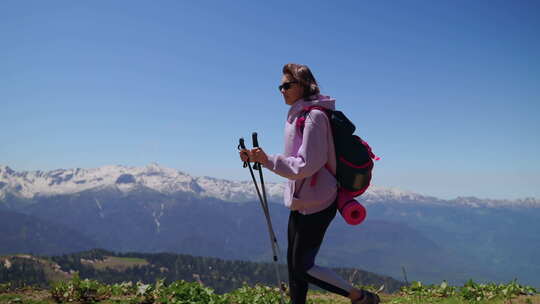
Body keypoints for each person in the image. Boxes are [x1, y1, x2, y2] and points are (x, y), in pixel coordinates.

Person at [239, 63, 380, 304]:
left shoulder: (314, 116)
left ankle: (361, 298)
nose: (282, 90)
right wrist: (257, 158)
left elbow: (307, 165)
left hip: (318, 202)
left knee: (303, 266)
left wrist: (268, 160)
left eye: (287, 85)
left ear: (303, 85)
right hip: (301, 199)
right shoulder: (298, 114)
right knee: (295, 266)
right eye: (279, 86)